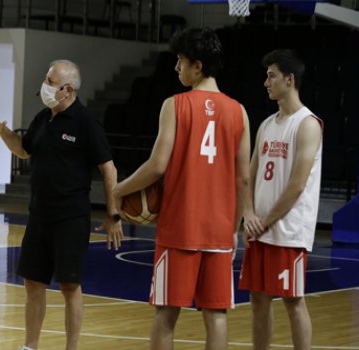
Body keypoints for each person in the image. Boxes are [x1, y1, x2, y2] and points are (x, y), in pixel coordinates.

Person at [113, 28, 251, 350]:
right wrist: (234, 229)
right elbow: (242, 179)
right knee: (217, 315)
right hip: (219, 231)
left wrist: (120, 189)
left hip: (181, 229)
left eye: (180, 60)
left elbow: (157, 165)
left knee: (165, 313)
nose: (176, 67)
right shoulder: (240, 112)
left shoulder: (175, 105)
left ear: (198, 66)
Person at [0, 59, 123, 350]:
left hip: (70, 218)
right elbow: (23, 150)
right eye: (47, 79)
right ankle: (30, 346)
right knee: (33, 283)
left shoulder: (85, 123)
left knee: (69, 286)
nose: (45, 86)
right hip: (39, 215)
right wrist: (4, 133)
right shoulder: (42, 118)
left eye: (50, 81)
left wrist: (113, 214)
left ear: (68, 89)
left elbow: (109, 170)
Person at [240, 49, 322, 350]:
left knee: (293, 300)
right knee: (258, 299)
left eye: (271, 76)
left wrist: (264, 222)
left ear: (289, 80)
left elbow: (297, 185)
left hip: (288, 233)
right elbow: (249, 177)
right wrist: (247, 215)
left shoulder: (308, 124)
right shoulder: (265, 125)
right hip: (260, 228)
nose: (266, 82)